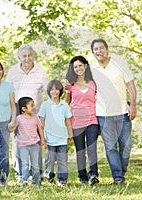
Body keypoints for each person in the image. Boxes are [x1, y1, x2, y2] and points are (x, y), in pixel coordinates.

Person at [90, 39, 137, 184]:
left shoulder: (119, 63)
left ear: (107, 49)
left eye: (101, 48)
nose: (99, 51)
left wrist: (133, 105)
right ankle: (118, 177)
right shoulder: (91, 70)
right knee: (110, 148)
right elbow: (83, 89)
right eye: (96, 49)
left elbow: (131, 85)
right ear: (93, 52)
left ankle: (121, 171)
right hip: (103, 114)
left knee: (126, 146)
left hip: (122, 112)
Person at [6, 44, 49, 182]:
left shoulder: (40, 71)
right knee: (19, 142)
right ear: (19, 57)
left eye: (30, 55)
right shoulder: (13, 72)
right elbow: (7, 91)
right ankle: (20, 174)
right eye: (24, 56)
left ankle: (37, 174)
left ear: (33, 56)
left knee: (36, 142)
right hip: (18, 111)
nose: (27, 59)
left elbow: (48, 90)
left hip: (35, 112)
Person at [64, 56, 100, 185]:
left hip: (92, 120)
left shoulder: (93, 83)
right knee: (80, 150)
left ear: (85, 66)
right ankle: (83, 177)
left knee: (91, 148)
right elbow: (66, 103)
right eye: (75, 67)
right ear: (72, 69)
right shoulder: (70, 86)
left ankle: (94, 174)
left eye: (80, 65)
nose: (78, 68)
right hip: (76, 121)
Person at [38, 80, 73, 187]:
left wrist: (70, 134)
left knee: (62, 161)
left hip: (62, 138)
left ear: (60, 90)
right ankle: (49, 175)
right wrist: (43, 139)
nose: (55, 92)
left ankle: (62, 180)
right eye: (52, 89)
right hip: (50, 139)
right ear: (49, 91)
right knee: (50, 160)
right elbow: (41, 124)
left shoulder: (64, 105)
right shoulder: (45, 105)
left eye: (57, 89)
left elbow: (68, 121)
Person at [11, 97, 47, 186]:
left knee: (35, 165)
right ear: (24, 109)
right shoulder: (19, 118)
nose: (33, 107)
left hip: (35, 145)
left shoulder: (35, 118)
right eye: (31, 105)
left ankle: (36, 182)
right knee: (25, 164)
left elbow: (40, 129)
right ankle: (25, 181)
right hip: (23, 146)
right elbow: (13, 128)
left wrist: (43, 140)